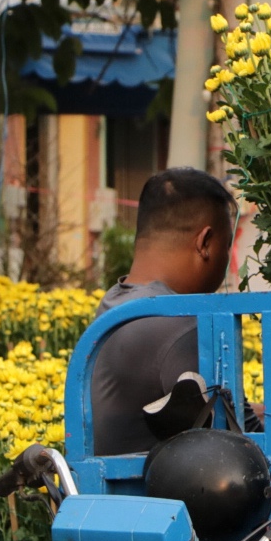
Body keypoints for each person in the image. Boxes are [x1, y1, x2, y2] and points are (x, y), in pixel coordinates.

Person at [90, 168, 236, 457]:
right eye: (227, 246)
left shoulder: (114, 303)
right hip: (157, 498)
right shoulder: (177, 323)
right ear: (205, 243)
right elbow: (239, 432)